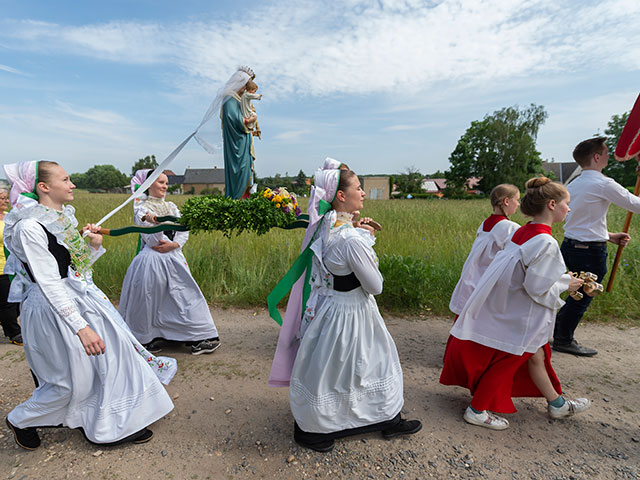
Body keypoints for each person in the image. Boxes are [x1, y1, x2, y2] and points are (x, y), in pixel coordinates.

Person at [2, 161, 176, 450]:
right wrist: (81, 328)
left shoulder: (59, 218)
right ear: (44, 187)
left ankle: (108, 423)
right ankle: (20, 419)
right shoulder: (30, 227)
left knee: (109, 361)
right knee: (69, 382)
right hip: (50, 309)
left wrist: (92, 246)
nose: (72, 185)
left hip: (76, 298)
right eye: (66, 179)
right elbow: (49, 282)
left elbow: (73, 271)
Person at [271, 160, 421, 452]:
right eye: (358, 188)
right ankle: (370, 421)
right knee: (371, 362)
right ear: (341, 195)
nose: (363, 193)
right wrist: (366, 238)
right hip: (353, 310)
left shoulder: (325, 225)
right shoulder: (352, 239)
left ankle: (328, 423)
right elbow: (375, 286)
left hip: (331, 307)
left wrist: (359, 231)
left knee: (332, 367)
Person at [440, 177, 590, 430]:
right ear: (552, 204)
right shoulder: (546, 242)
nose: (569, 209)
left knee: (536, 355)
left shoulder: (524, 231)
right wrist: (567, 285)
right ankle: (477, 410)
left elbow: (527, 273)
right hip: (522, 314)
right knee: (511, 360)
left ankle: (557, 404)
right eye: (567, 204)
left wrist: (562, 280)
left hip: (509, 306)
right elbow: (536, 286)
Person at [553, 137, 640, 356]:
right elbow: (635, 205)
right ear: (596, 157)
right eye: (606, 152)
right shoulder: (603, 183)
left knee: (575, 292)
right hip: (590, 251)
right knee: (582, 294)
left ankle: (557, 331)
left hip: (570, 246)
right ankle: (563, 339)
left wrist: (608, 235)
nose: (609, 156)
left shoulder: (573, 184)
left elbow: (577, 220)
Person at [119, 169, 220, 355]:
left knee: (185, 295)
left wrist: (174, 244)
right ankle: (148, 338)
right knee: (150, 298)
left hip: (173, 256)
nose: (165, 186)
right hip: (152, 259)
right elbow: (151, 238)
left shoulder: (172, 206)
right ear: (149, 185)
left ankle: (197, 336)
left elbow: (184, 229)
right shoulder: (141, 209)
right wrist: (155, 223)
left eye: (166, 183)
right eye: (160, 182)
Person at [448, 184, 520, 319]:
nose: (518, 204)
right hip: (488, 279)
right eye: (517, 199)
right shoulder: (510, 227)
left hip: (472, 276)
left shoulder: (485, 223)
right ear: (506, 201)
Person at [219, 67, 257, 199]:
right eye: (245, 85)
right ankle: (237, 199)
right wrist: (248, 120)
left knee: (246, 171)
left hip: (244, 142)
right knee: (240, 170)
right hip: (236, 144)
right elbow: (233, 120)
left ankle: (245, 199)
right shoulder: (230, 99)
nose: (246, 89)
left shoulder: (239, 99)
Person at [0, 182, 22, 346]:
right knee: (8, 302)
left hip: (13, 266)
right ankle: (14, 333)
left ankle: (7, 323)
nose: (5, 201)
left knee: (16, 301)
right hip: (1, 268)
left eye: (6, 198)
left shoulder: (9, 216)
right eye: (1, 198)